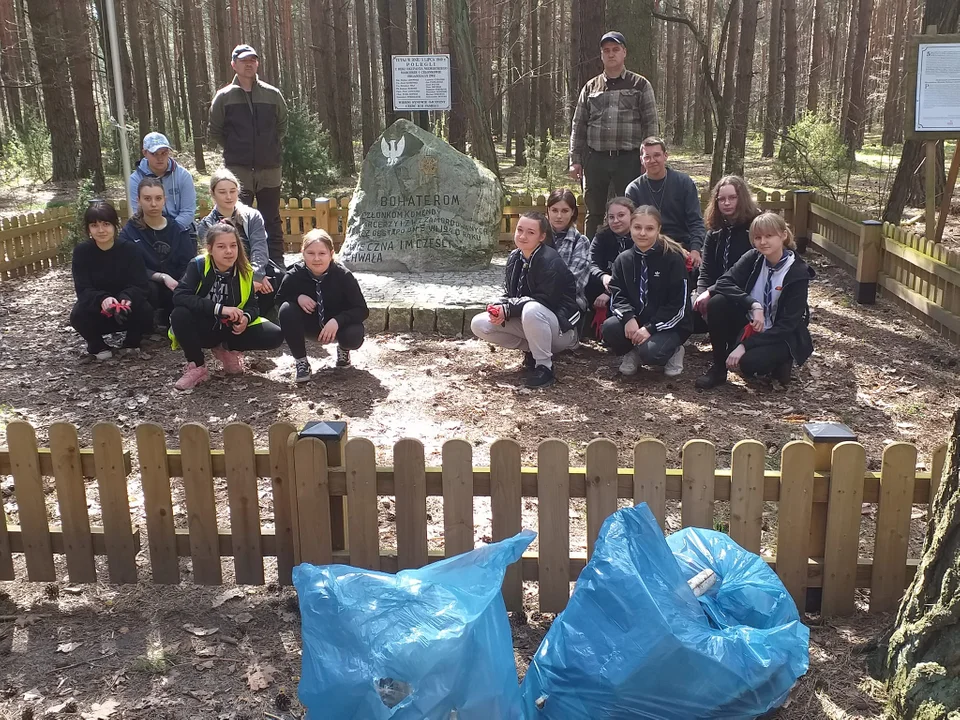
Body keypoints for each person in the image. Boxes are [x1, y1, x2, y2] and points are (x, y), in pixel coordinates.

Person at [696, 212, 814, 389]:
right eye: (757, 237)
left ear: (783, 235)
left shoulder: (797, 272)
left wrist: (744, 346)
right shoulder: (754, 257)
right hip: (752, 324)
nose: (763, 242)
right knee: (717, 303)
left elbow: (787, 325)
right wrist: (753, 304)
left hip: (780, 333)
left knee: (750, 364)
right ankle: (719, 369)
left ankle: (782, 360)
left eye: (769, 236)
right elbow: (724, 282)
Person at [471, 212, 581, 389]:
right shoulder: (515, 257)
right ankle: (533, 351)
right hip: (533, 322)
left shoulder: (550, 260)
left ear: (541, 237)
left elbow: (545, 301)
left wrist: (508, 310)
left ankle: (545, 367)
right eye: (519, 230)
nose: (522, 236)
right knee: (480, 323)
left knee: (532, 310)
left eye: (530, 232)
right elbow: (509, 293)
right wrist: (499, 307)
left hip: (561, 329)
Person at [169, 221, 283, 392]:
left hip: (229, 327)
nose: (229, 251)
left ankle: (227, 350)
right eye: (221, 246)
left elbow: (253, 306)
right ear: (210, 248)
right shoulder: (198, 265)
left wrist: (246, 317)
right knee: (179, 314)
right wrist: (219, 309)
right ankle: (197, 366)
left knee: (275, 335)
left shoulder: (245, 270)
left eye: (233, 246)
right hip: (204, 325)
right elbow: (180, 296)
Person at [569, 31, 659, 238]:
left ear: (624, 52)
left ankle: (629, 258)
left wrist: (648, 157)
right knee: (594, 212)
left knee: (630, 211)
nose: (611, 54)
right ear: (601, 55)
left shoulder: (640, 85)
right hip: (595, 158)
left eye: (615, 50)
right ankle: (591, 260)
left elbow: (651, 124)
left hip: (628, 159)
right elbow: (578, 125)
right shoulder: (590, 87)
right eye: (606, 51)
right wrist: (575, 160)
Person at [208, 44, 287, 266]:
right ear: (234, 65)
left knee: (271, 218)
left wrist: (267, 147)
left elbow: (282, 126)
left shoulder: (272, 94)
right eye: (244, 60)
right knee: (238, 219)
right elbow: (215, 131)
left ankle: (276, 264)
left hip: (270, 168)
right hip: (238, 170)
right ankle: (242, 264)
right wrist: (237, 148)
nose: (249, 63)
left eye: (253, 59)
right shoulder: (224, 97)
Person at [601, 206, 691, 378]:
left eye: (649, 228)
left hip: (668, 325)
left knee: (651, 353)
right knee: (610, 328)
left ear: (658, 230)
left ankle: (674, 351)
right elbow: (617, 294)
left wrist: (650, 328)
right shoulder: (623, 259)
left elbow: (679, 306)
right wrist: (628, 317)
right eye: (637, 227)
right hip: (638, 320)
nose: (642, 233)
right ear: (631, 228)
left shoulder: (672, 258)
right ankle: (632, 352)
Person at [276, 229, 369, 383]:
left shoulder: (343, 276)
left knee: (353, 335)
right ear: (303, 253)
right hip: (309, 325)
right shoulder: (293, 275)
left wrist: (338, 320)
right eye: (311, 253)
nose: (316, 259)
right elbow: (279, 299)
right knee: (286, 309)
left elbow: (362, 309)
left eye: (322, 253)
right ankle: (301, 361)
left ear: (331, 254)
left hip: (337, 327)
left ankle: (343, 349)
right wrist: (297, 297)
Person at [70, 200, 153, 360]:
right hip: (98, 311)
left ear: (115, 225)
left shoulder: (130, 250)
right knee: (77, 315)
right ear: (88, 228)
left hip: (126, 309)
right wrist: (103, 299)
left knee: (146, 309)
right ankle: (97, 344)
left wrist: (126, 297)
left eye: (106, 224)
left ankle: (132, 341)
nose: (101, 230)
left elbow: (141, 285)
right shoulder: (82, 252)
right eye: (94, 225)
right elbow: (83, 289)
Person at [197, 169, 278, 316]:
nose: (228, 197)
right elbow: (215, 259)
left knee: (274, 282)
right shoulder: (206, 225)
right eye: (222, 192)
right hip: (225, 272)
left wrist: (256, 276)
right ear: (213, 193)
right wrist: (244, 282)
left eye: (232, 191)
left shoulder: (252, 216)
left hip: (253, 269)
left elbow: (259, 247)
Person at [119, 177, 197, 328]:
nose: (153, 204)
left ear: (164, 200)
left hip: (176, 285)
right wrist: (161, 277)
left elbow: (188, 264)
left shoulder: (177, 229)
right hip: (146, 287)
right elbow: (128, 266)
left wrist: (182, 284)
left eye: (158, 198)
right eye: (147, 198)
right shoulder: (130, 231)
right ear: (139, 200)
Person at [624, 137, 706, 267]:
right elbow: (634, 228)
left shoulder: (684, 183)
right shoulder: (634, 189)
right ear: (641, 160)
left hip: (683, 244)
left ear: (665, 156)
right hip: (648, 245)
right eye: (647, 157)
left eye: (657, 155)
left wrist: (695, 250)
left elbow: (695, 220)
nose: (652, 161)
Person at [692, 175, 761, 319]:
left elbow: (746, 273)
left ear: (741, 198)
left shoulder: (755, 228)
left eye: (732, 198)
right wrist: (701, 294)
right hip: (717, 290)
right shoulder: (715, 232)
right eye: (721, 199)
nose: (727, 203)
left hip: (745, 292)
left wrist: (711, 292)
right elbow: (706, 271)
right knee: (691, 306)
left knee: (717, 304)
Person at [127, 132, 197, 232]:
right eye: (154, 153)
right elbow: (137, 213)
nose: (160, 158)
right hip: (149, 232)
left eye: (164, 153)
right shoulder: (135, 179)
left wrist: (169, 231)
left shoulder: (183, 175)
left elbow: (188, 211)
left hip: (181, 229)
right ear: (145, 153)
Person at [587, 196, 636, 309]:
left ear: (632, 216)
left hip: (630, 293)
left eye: (621, 215)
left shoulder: (639, 237)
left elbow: (633, 272)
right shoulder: (601, 236)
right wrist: (603, 276)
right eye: (611, 217)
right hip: (600, 289)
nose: (616, 221)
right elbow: (591, 264)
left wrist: (609, 292)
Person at [545, 188, 591, 310]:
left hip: (569, 303)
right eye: (554, 210)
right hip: (536, 299)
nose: (559, 216)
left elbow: (573, 284)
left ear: (573, 212)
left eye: (565, 211)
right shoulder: (537, 237)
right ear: (548, 211)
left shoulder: (580, 242)